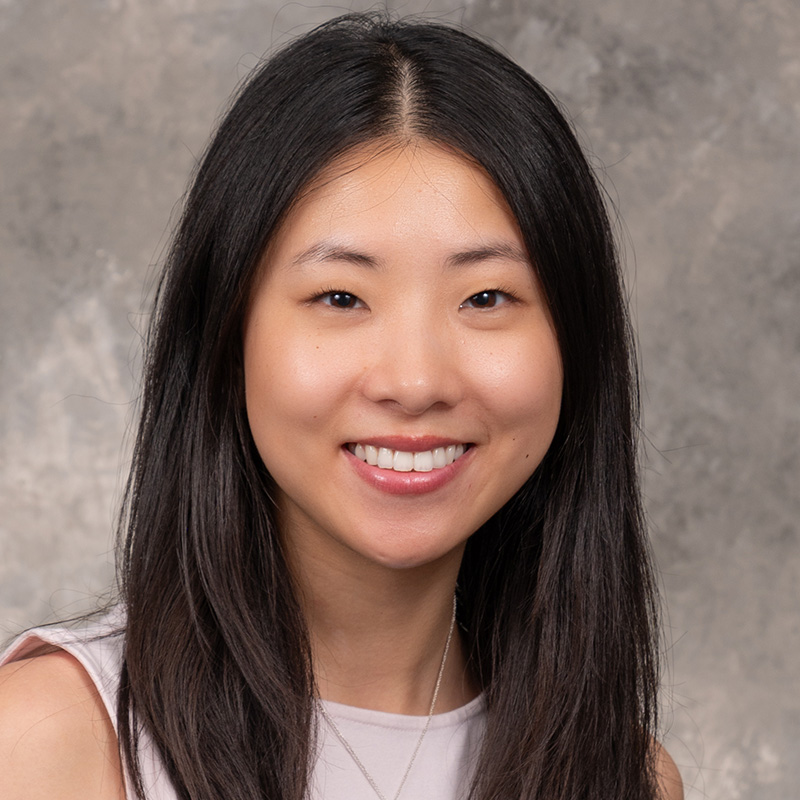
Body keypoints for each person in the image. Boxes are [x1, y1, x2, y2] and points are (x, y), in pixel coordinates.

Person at [0, 12, 683, 800]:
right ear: (226, 333)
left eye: (487, 296)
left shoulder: (623, 777)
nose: (416, 379)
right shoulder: (50, 741)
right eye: (341, 296)